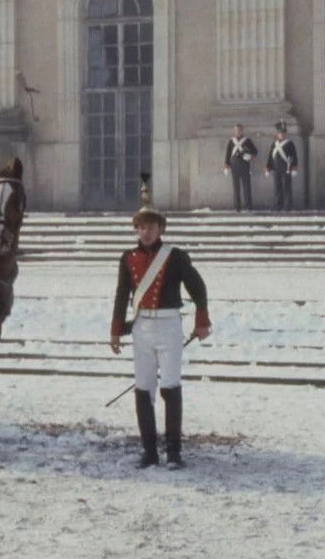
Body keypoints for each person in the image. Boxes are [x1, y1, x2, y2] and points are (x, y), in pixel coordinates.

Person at [109, 175, 211, 470]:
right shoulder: (127, 258)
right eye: (141, 227)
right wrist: (116, 329)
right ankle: (149, 451)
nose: (146, 232)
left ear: (161, 228)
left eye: (151, 226)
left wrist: (201, 319)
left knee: (170, 386)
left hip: (168, 326)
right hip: (141, 328)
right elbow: (121, 294)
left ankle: (175, 453)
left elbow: (198, 288)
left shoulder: (175, 256)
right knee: (143, 389)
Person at [222, 123, 258, 212]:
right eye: (236, 130)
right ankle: (237, 207)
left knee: (246, 187)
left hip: (245, 166)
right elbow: (228, 154)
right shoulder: (231, 141)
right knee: (236, 187)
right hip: (234, 167)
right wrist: (226, 166)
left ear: (242, 131)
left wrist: (250, 156)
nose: (238, 132)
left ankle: (249, 206)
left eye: (240, 130)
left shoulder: (247, 140)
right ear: (234, 131)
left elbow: (255, 151)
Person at [264, 121, 298, 212]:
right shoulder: (274, 144)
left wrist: (294, 168)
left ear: (286, 134)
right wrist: (268, 167)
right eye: (280, 133)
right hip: (276, 168)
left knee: (287, 188)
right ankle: (279, 205)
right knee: (277, 188)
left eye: (283, 133)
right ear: (277, 134)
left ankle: (288, 206)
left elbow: (294, 156)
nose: (281, 135)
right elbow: (271, 156)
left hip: (286, 168)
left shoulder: (289, 143)